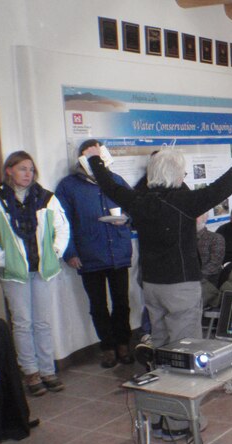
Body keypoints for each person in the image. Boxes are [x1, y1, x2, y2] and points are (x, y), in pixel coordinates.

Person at [84, 132, 232, 436]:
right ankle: (180, 424)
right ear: (174, 173)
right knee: (184, 355)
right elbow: (225, 184)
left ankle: (158, 418)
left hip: (152, 286)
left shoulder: (140, 200)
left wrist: (94, 159)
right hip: (180, 287)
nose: (185, 174)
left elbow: (110, 185)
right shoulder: (186, 201)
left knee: (160, 351)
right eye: (182, 170)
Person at [0, 151, 70, 396]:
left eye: (31, 170)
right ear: (9, 170)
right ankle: (31, 373)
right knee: (22, 324)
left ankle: (47, 370)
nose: (28, 174)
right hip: (14, 273)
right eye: (22, 169)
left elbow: (62, 229)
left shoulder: (46, 198)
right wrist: (6, 260)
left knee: (43, 322)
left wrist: (55, 252)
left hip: (43, 270)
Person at [55, 139, 134, 369]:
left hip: (118, 252)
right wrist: (69, 252)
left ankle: (123, 345)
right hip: (89, 255)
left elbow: (132, 207)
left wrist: (126, 219)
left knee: (122, 303)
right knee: (98, 306)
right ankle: (108, 348)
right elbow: (62, 222)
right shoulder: (68, 186)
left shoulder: (115, 180)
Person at [196, 213, 225, 309]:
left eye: (198, 215)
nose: (194, 219)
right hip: (184, 283)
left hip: (207, 283)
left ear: (206, 217)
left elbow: (214, 265)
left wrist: (193, 278)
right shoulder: (181, 239)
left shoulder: (215, 238)